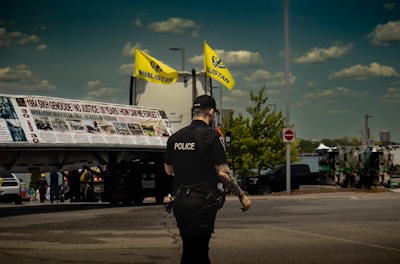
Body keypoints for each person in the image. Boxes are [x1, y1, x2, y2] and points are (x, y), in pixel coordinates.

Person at [164, 94, 251, 264]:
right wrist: (241, 195)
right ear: (211, 112)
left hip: (180, 202)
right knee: (199, 252)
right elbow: (223, 173)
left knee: (190, 249)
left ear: (194, 112)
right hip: (202, 203)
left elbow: (168, 170)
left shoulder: (175, 138)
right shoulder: (212, 138)